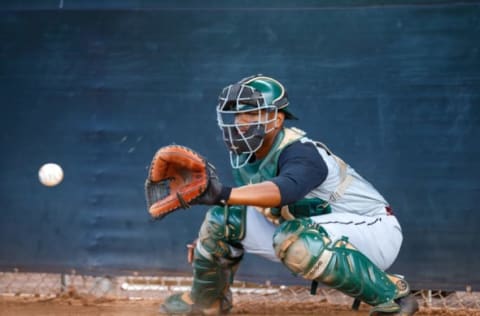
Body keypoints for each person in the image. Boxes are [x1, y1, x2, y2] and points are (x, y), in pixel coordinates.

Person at [160, 75, 419, 315]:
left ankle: (393, 297)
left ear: (277, 118)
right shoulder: (244, 157)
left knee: (296, 238)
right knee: (223, 218)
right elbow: (249, 206)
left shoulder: (302, 152)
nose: (241, 122)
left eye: (251, 113)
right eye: (238, 115)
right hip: (312, 231)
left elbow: (287, 190)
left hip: (373, 231)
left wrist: (222, 193)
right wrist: (209, 242)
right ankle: (207, 302)